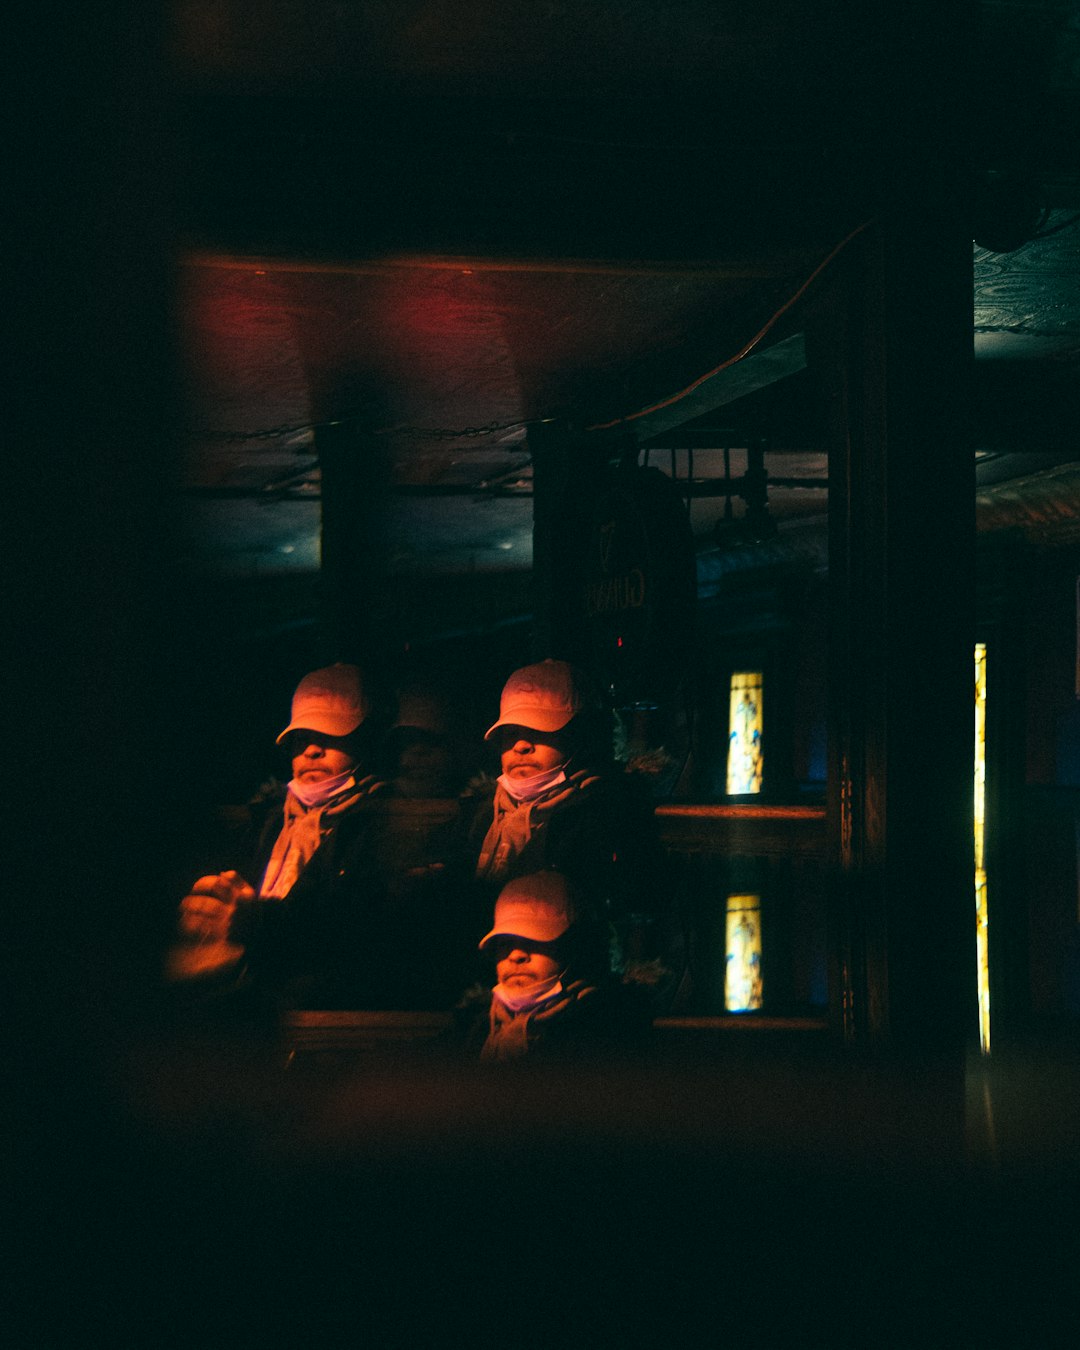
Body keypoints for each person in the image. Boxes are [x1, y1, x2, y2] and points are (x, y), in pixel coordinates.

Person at [171, 662, 461, 1010]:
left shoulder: (390, 822)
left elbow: (361, 935)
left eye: (331, 737)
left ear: (366, 744)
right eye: (302, 738)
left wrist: (258, 923)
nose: (311, 751)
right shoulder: (270, 822)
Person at [471, 870, 651, 1062]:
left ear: (571, 947)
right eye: (505, 943)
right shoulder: (472, 1032)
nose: (516, 955)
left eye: (535, 939)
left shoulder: (608, 1036)